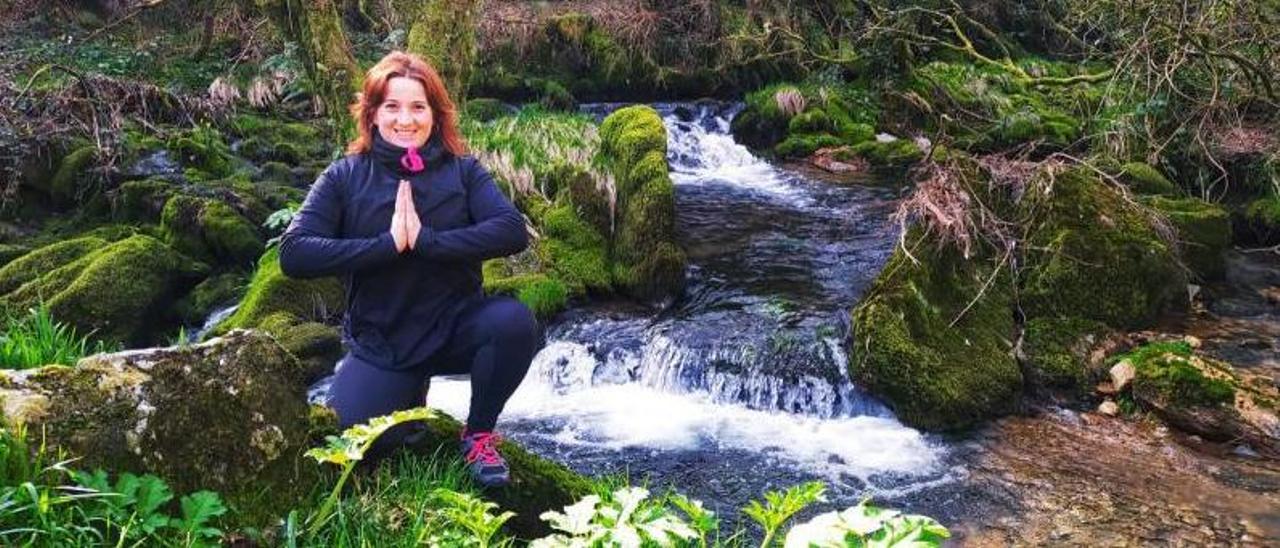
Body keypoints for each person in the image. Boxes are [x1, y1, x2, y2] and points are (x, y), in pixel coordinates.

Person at [278, 51, 538, 487]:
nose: (406, 119)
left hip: (456, 328)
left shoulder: (464, 171)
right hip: (384, 341)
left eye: (418, 107)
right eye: (392, 107)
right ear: (373, 114)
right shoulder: (345, 176)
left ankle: (477, 435)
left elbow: (511, 231)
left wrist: (427, 242)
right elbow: (294, 253)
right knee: (356, 442)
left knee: (514, 322)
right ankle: (407, 394)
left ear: (435, 115)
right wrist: (387, 246)